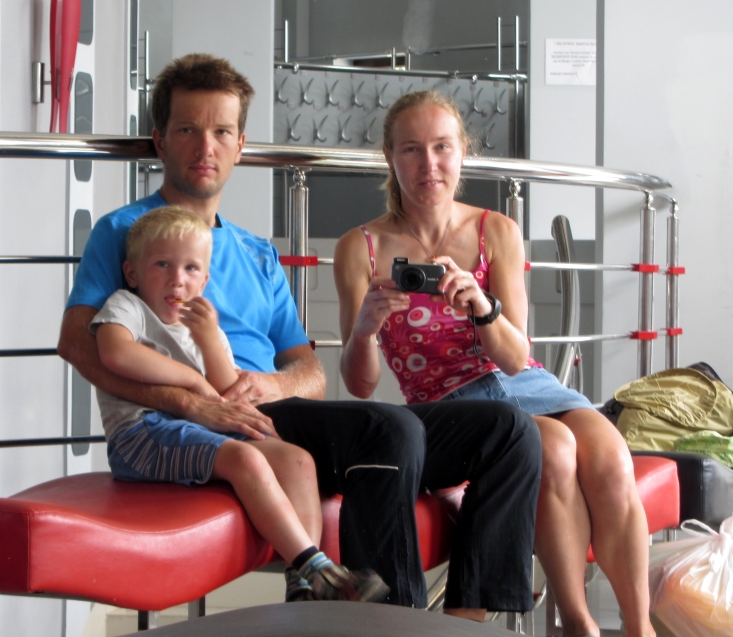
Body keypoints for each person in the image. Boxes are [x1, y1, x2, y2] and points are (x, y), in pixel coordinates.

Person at [57, 53, 539, 613]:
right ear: (160, 141)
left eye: (221, 132)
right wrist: (192, 403)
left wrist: (272, 384)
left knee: (508, 429)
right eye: (187, 130)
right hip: (211, 424)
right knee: (389, 429)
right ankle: (391, 626)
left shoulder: (257, 252)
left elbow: (309, 374)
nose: (205, 147)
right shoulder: (126, 232)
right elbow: (79, 345)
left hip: (276, 411)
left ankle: (463, 622)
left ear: (241, 145)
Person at [334, 89, 655, 637]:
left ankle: (640, 628)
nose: (429, 164)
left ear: (463, 152)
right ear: (389, 156)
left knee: (609, 456)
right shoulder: (360, 246)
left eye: (442, 147)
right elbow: (360, 385)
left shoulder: (496, 230)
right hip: (448, 405)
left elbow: (514, 358)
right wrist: (364, 329)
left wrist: (482, 307)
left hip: (525, 383)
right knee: (554, 449)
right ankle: (579, 624)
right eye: (412, 149)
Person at [90, 206, 387, 602]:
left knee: (298, 460)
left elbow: (225, 388)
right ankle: (318, 569)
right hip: (142, 434)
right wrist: (192, 380)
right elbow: (115, 353)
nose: (177, 279)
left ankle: (303, 586)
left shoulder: (204, 328)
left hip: (198, 429)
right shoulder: (129, 307)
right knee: (245, 459)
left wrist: (209, 340)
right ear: (132, 273)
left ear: (205, 280)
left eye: (191, 269)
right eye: (162, 265)